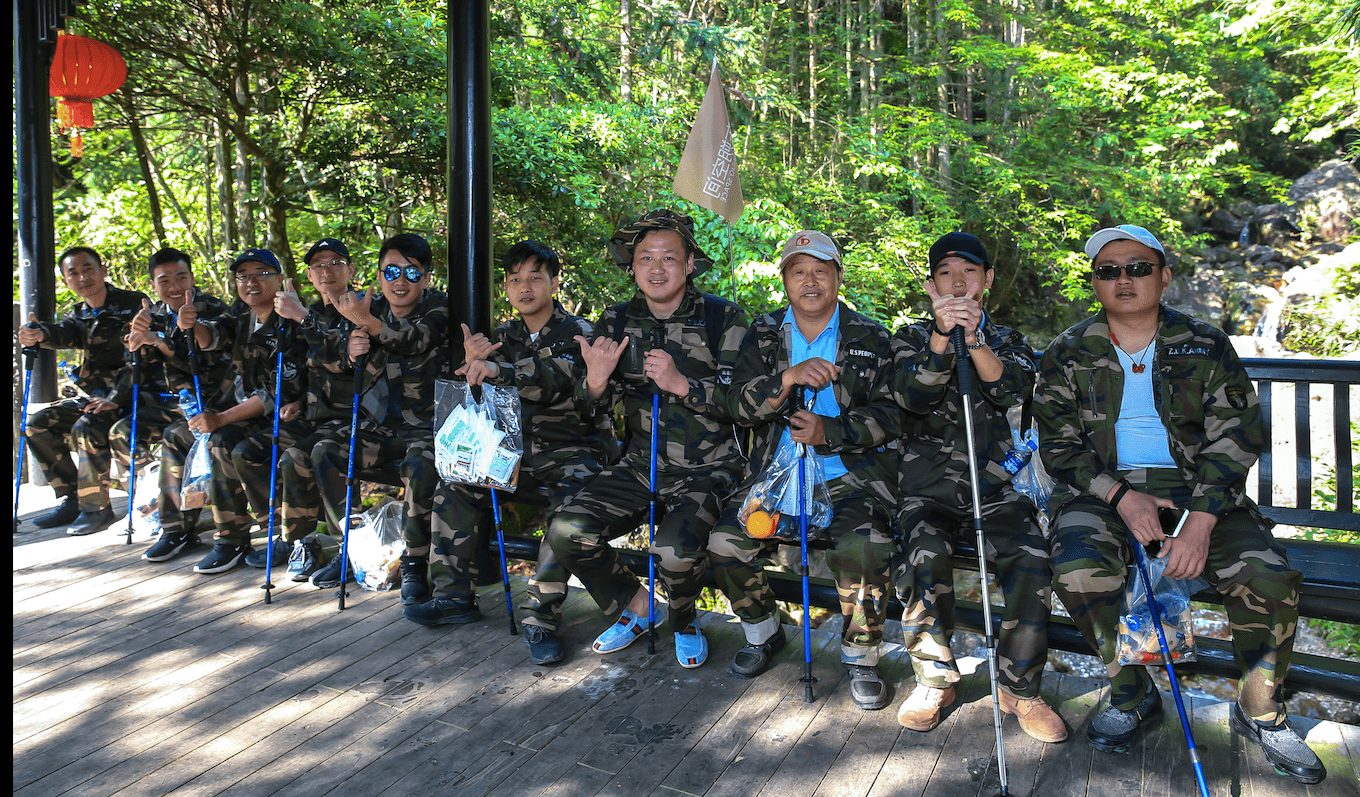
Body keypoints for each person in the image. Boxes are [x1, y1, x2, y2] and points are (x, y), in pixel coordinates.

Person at [1036, 224, 1324, 783]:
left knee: (1266, 577)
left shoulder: (1204, 343)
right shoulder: (1068, 351)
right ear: (1095, 282)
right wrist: (1121, 497)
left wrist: (1201, 521)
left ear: (1164, 276)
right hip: (1103, 491)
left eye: (1138, 268)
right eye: (1108, 270)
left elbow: (1237, 436)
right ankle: (1132, 694)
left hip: (1200, 489)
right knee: (1076, 569)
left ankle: (1260, 709)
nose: (1123, 279)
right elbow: (1059, 448)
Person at [546, 209, 747, 668]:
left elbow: (746, 405)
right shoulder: (616, 320)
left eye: (669, 258)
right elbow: (588, 409)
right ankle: (637, 607)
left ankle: (684, 620)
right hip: (641, 465)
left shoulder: (724, 318)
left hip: (708, 469)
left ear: (690, 263)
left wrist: (683, 385)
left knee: (673, 551)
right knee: (567, 530)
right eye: (646, 258)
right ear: (632, 266)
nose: (657, 269)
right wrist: (596, 381)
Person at [708, 230, 899, 710]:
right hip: (775, 478)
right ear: (785, 280)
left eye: (820, 270)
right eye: (798, 271)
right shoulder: (764, 332)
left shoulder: (872, 337)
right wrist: (787, 378)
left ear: (839, 277)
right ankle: (763, 631)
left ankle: (861, 655)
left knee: (864, 549)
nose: (810, 281)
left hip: (847, 477)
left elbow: (893, 416)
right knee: (726, 544)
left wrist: (829, 431)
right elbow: (736, 406)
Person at [887, 232, 1066, 741]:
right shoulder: (909, 338)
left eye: (969, 272)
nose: (957, 282)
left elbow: (1012, 389)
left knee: (1031, 558)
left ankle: (1019, 688)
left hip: (995, 486)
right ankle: (935, 680)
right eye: (945, 273)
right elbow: (911, 397)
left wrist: (974, 341)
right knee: (922, 556)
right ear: (931, 285)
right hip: (927, 489)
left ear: (986, 280)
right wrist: (942, 338)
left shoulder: (1008, 339)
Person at [413, 240, 617, 664]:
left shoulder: (579, 332)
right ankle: (453, 596)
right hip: (514, 452)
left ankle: (539, 618)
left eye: (535, 277)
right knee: (455, 485)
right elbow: (480, 404)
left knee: (566, 516)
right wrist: (472, 368)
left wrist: (495, 369)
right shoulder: (504, 336)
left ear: (555, 283)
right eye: (514, 279)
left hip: (572, 451)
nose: (524, 287)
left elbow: (553, 379)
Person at [309, 233, 449, 591]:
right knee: (327, 451)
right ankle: (351, 550)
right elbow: (335, 358)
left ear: (426, 278)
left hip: (429, 428)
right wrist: (351, 350)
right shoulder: (371, 309)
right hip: (381, 426)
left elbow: (414, 340)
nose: (400, 281)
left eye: (412, 273)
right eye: (391, 272)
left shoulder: (440, 308)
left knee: (420, 467)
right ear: (379, 275)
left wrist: (366, 322)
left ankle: (414, 563)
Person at [179, 248, 308, 574]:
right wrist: (191, 325)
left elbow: (276, 393)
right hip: (249, 412)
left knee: (243, 450)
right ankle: (230, 538)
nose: (251, 282)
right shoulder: (241, 314)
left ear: (280, 279)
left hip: (288, 414)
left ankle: (280, 533)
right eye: (243, 276)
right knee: (217, 441)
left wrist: (221, 418)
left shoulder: (292, 320)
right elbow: (212, 336)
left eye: (261, 274)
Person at [246, 237, 362, 580]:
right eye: (318, 266)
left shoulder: (361, 309)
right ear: (309, 275)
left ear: (351, 270)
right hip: (314, 416)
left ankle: (349, 550)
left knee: (302, 457)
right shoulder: (311, 312)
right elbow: (302, 368)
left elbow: (342, 361)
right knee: (248, 451)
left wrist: (301, 316)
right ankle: (297, 540)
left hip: (353, 419)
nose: (327, 271)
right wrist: (296, 402)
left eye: (335, 263)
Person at [20, 247, 150, 535]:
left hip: (136, 395)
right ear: (66, 281)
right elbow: (63, 332)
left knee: (86, 427)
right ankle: (72, 498)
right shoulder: (79, 313)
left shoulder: (133, 304)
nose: (82, 277)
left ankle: (96, 509)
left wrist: (113, 400)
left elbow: (140, 362)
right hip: (98, 397)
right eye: (74, 273)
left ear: (103, 270)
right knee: (37, 424)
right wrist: (39, 334)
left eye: (88, 269)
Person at [128, 248, 239, 562]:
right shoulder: (153, 314)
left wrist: (163, 339)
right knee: (155, 432)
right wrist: (137, 337)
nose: (174, 286)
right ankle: (173, 528)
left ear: (192, 278)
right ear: (153, 284)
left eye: (181, 277)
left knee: (191, 437)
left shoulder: (213, 308)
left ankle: (228, 536)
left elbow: (205, 352)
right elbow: (139, 364)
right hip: (183, 404)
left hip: (222, 402)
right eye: (164, 280)